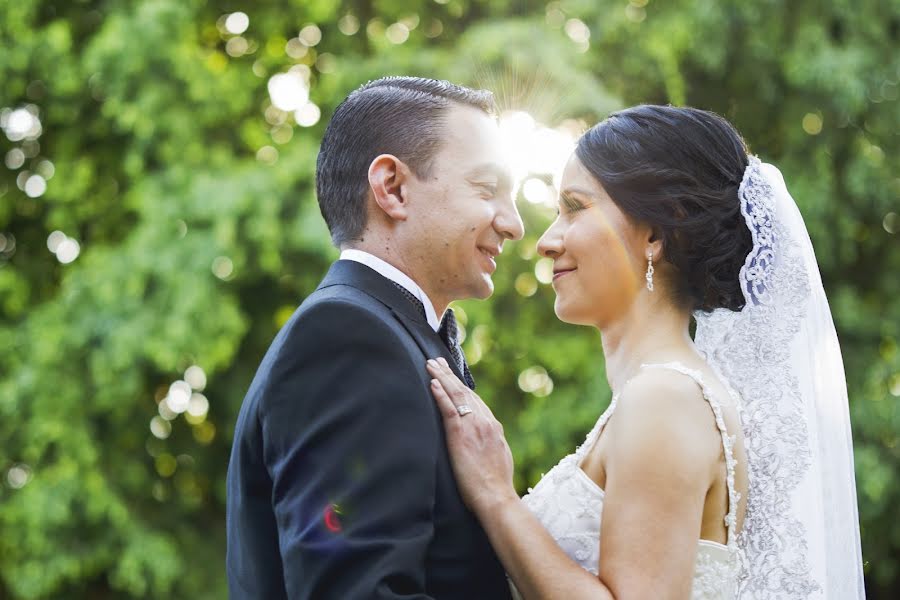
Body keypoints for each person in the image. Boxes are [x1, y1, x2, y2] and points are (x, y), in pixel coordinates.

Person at [425, 105, 866, 599]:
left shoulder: (665, 398)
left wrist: (495, 495)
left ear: (655, 233)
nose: (546, 242)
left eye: (575, 207)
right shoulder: (665, 392)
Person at [225, 76, 524, 599]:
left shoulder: (397, 333)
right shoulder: (346, 338)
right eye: (486, 188)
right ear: (392, 188)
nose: (515, 224)